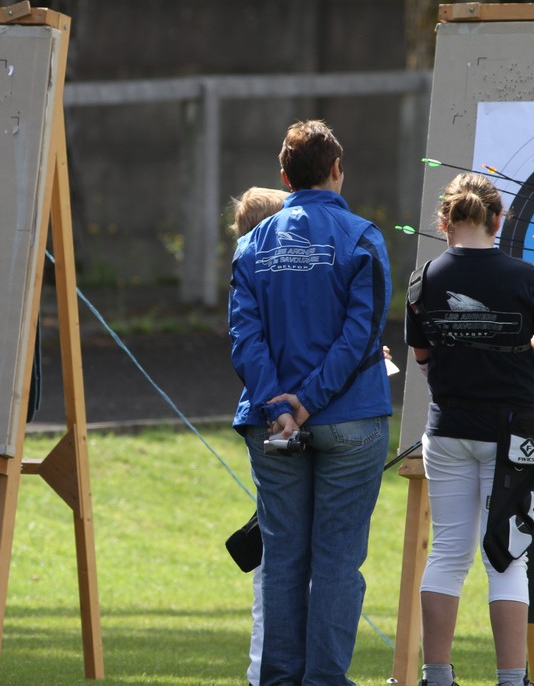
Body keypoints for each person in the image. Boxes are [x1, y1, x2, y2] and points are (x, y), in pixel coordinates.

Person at [229, 120, 392, 686]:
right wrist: (309, 400)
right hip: (350, 421)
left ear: (284, 177)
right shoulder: (362, 237)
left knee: (283, 561)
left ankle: (277, 681)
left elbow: (243, 337)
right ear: (337, 170)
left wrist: (281, 405)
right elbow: (362, 336)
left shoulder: (252, 243)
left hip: (273, 425)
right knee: (337, 564)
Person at [404, 173, 534, 686]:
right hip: (512, 436)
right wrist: (524, 349)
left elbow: (423, 356)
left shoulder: (423, 279)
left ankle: (436, 676)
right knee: (506, 557)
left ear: (445, 223)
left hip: (448, 429)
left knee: (450, 551)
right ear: (498, 220)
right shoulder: (525, 278)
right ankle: (509, 678)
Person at [228, 185, 289, 686]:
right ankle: (264, 672)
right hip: (281, 419)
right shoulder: (273, 274)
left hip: (262, 417)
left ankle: (262, 672)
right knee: (281, 555)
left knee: (278, 551)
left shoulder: (249, 271)